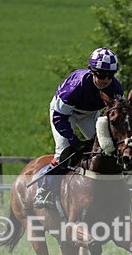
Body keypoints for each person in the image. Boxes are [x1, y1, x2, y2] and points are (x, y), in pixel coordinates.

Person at [33, 47, 124, 209]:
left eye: (110, 75)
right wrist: (73, 139)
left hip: (89, 114)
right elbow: (59, 117)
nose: (106, 79)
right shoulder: (77, 84)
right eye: (101, 74)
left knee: (105, 148)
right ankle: (43, 188)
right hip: (64, 114)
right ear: (92, 72)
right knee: (64, 152)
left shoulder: (116, 88)